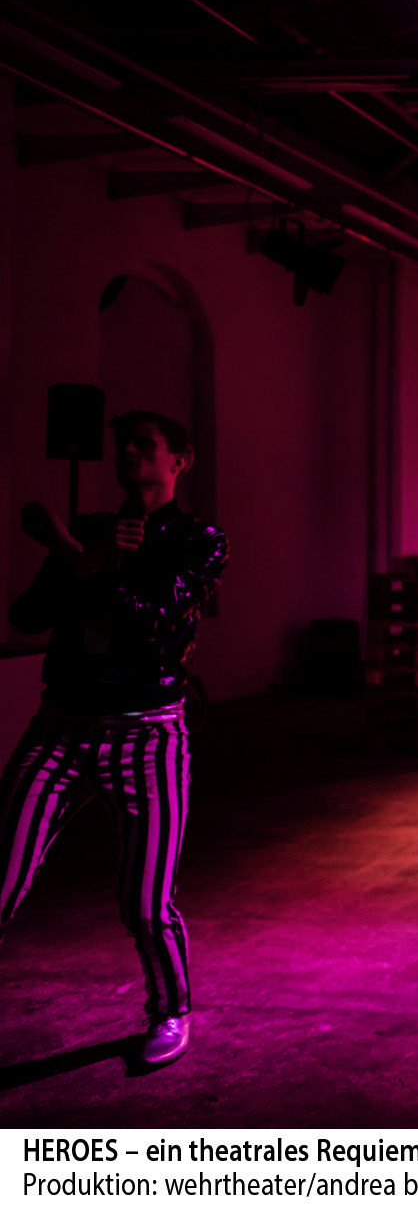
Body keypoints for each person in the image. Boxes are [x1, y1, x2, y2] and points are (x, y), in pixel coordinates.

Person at [1, 410, 228, 1069]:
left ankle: (171, 1009)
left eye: (144, 444)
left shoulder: (199, 540)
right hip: (61, 726)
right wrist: (81, 554)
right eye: (122, 443)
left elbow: (154, 626)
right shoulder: (93, 528)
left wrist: (81, 558)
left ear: (179, 460)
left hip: (148, 735)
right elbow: (27, 615)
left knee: (146, 901)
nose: (128, 451)